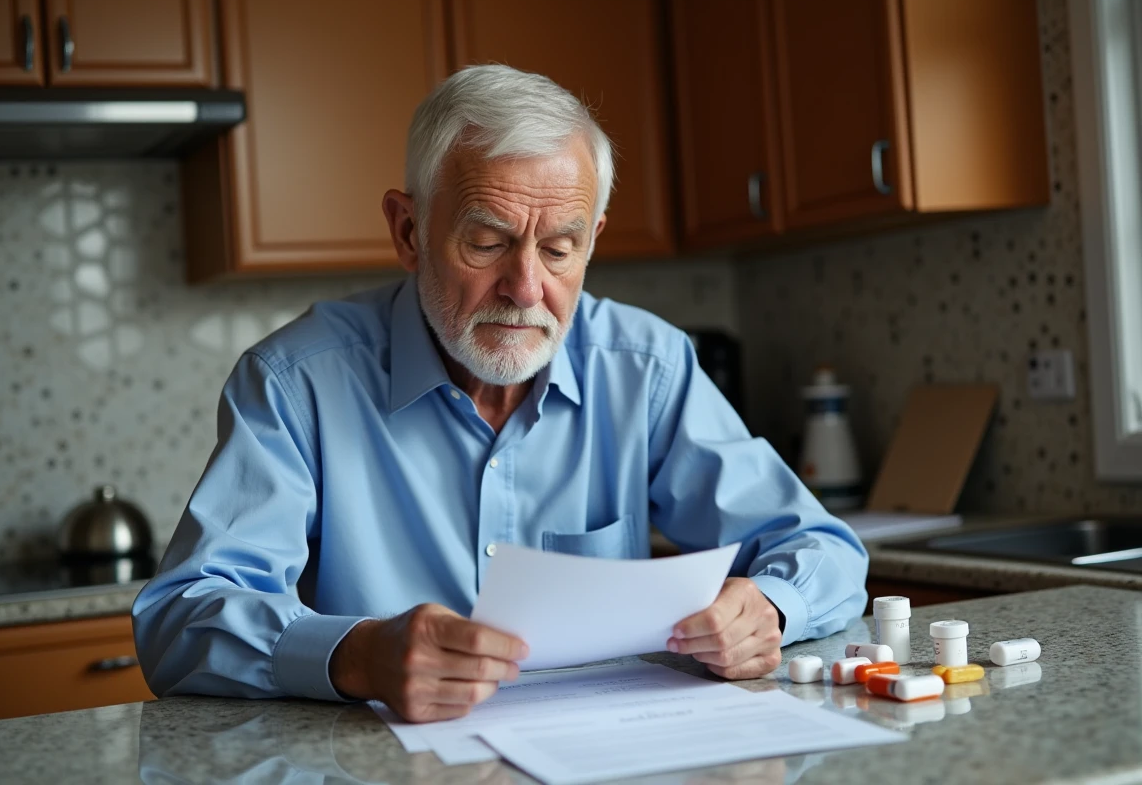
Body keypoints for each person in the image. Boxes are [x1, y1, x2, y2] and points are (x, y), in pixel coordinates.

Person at [132, 64, 868, 723]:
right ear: (409, 230)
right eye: (486, 243)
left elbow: (822, 548)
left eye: (559, 249)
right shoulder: (296, 383)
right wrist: (358, 654)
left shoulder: (646, 368)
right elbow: (180, 619)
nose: (526, 288)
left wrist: (770, 606)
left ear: (592, 239)